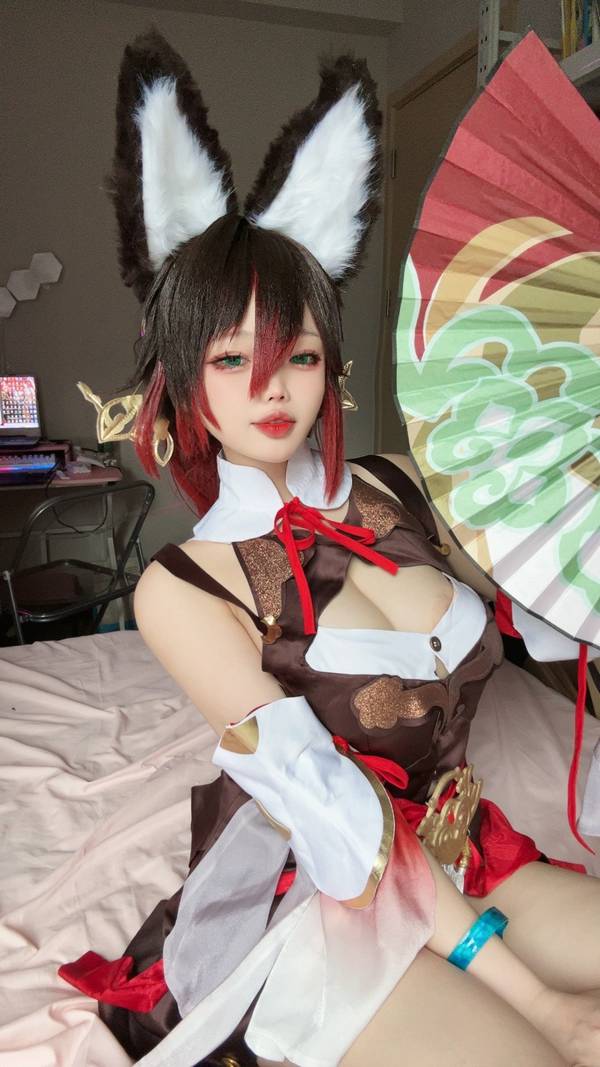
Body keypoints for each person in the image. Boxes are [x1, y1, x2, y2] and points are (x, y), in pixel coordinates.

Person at [62, 28, 600, 1067]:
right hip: (321, 893)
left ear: (330, 362)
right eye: (232, 359)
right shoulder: (184, 588)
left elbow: (535, 593)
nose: (271, 388)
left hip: (466, 850)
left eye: (298, 354)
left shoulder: (399, 483)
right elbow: (331, 809)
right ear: (183, 378)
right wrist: (542, 1003)